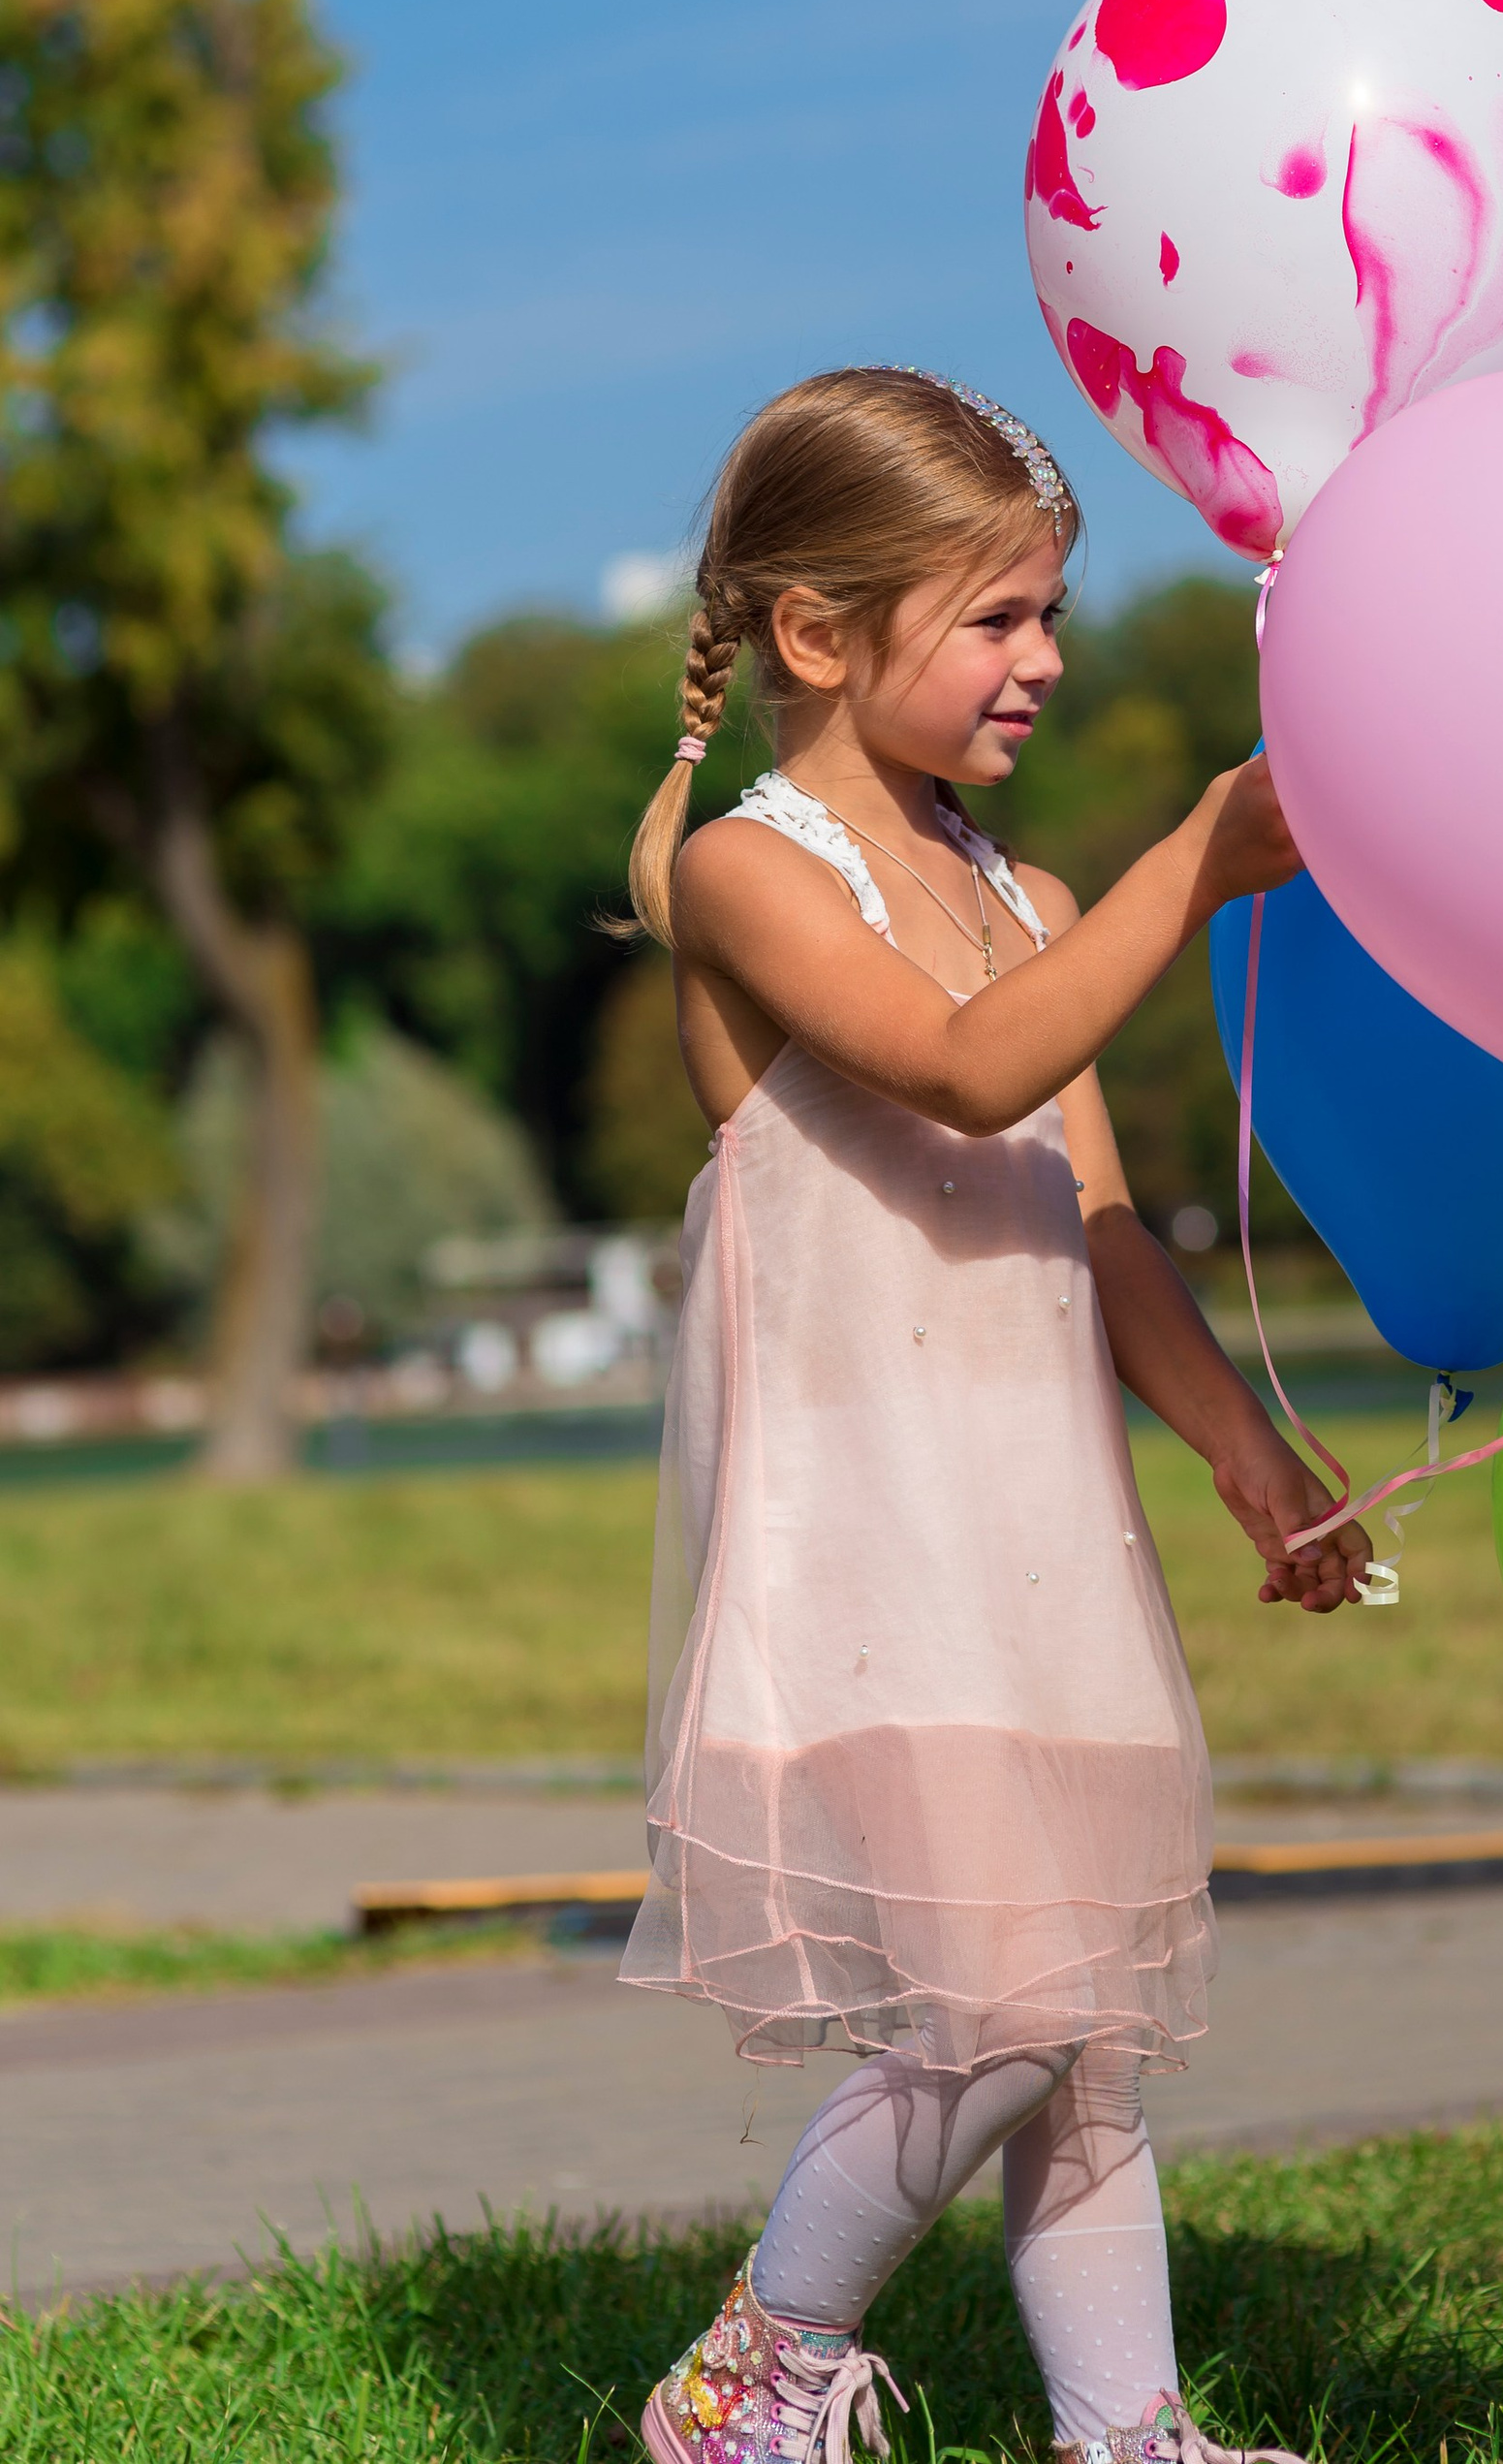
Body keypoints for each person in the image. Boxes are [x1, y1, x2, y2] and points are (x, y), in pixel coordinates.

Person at [617, 367, 1368, 2464]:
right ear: (815, 635)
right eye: (995, 616)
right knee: (992, 2011)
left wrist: (1235, 1446)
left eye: (1050, 610)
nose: (1041, 659)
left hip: (1036, 1550)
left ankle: (1125, 2430)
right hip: (873, 1561)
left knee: (1090, 2037)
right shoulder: (749, 883)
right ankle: (747, 2372)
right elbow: (957, 1070)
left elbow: (1096, 1216)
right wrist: (1199, 855)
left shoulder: (1028, 904)